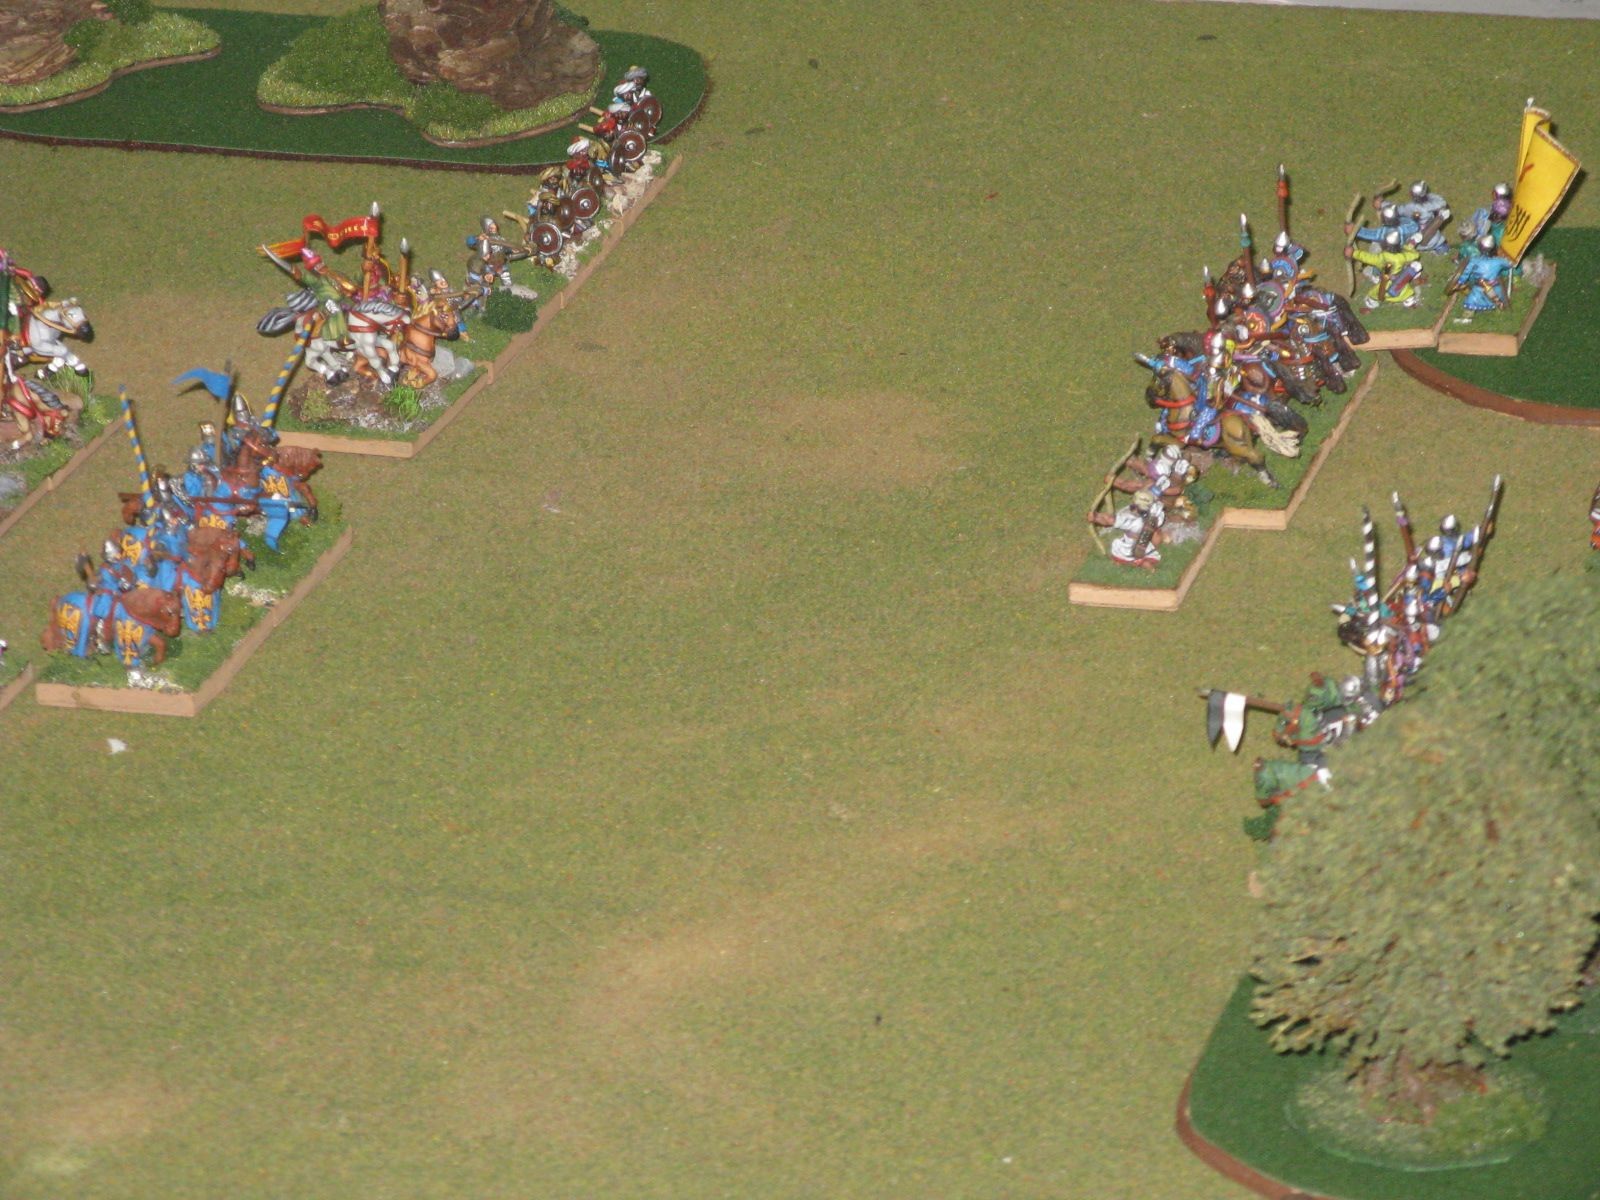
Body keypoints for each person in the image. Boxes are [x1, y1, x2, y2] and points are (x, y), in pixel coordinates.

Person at [1347, 229, 1422, 310]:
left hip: (1386, 284)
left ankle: (1371, 302)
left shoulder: (1381, 258)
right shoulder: (1402, 256)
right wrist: (1411, 244)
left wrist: (1353, 253)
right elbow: (1415, 255)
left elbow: (1367, 257)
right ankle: (1409, 300)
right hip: (1400, 284)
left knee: (1374, 295)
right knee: (1415, 267)